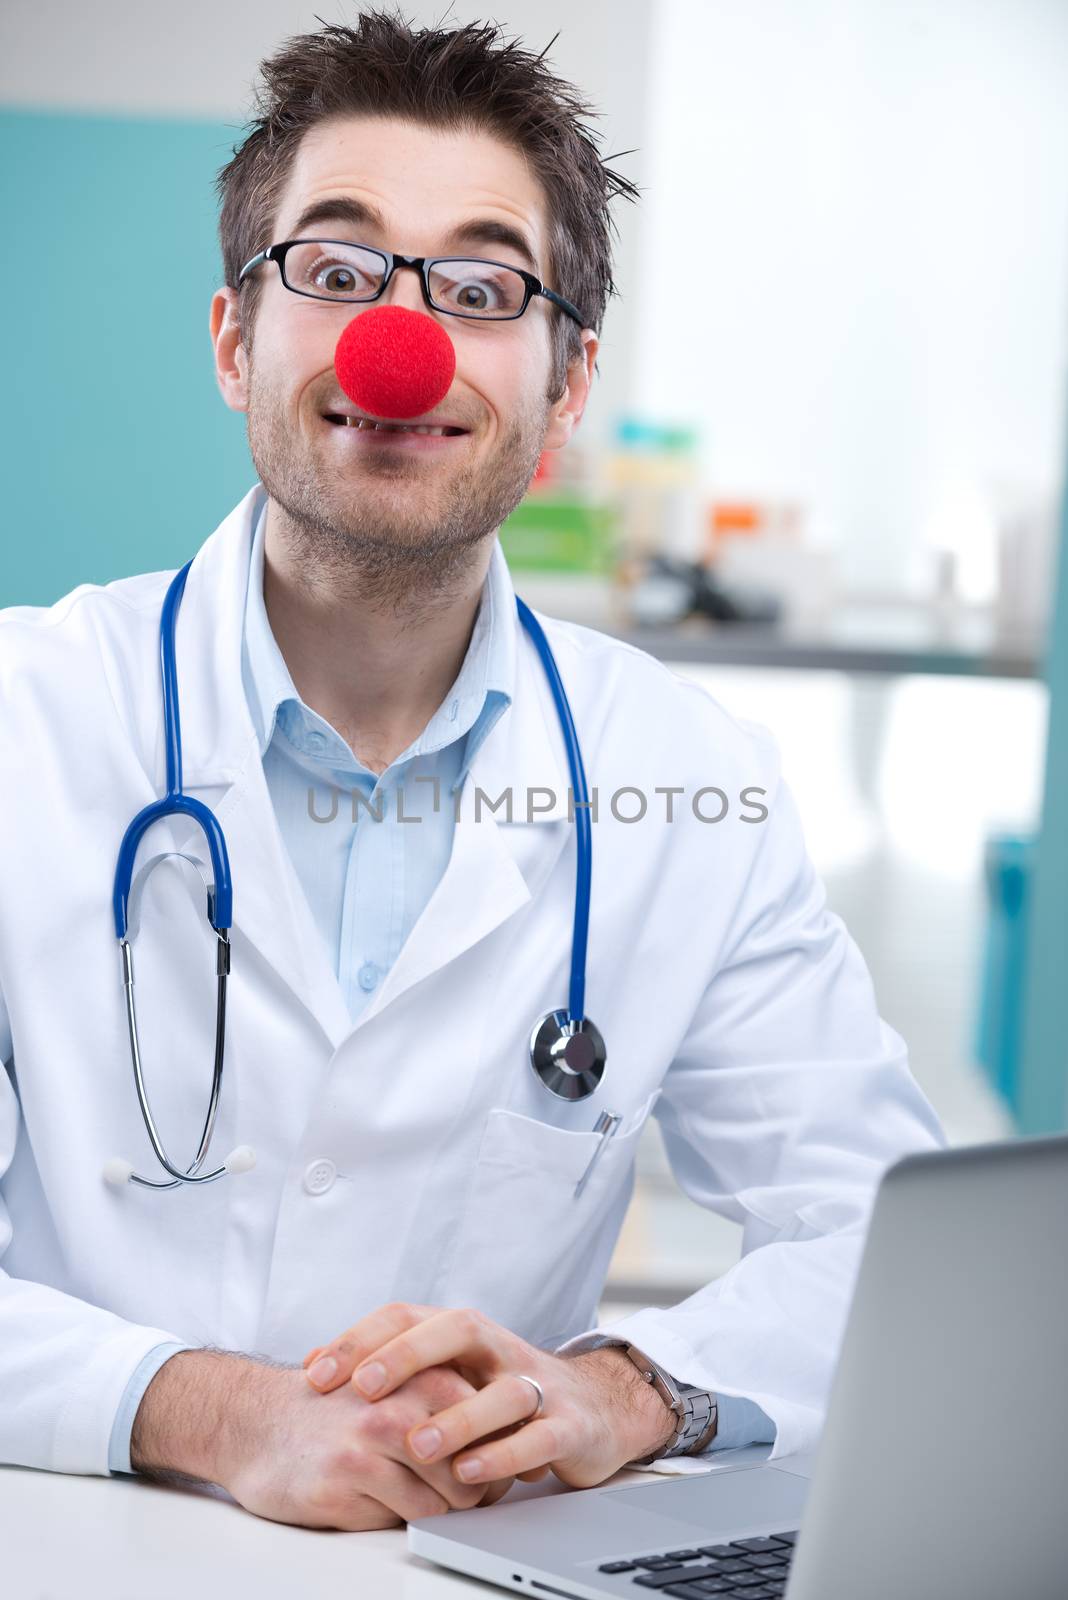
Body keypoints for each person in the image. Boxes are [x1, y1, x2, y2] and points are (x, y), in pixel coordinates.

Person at [0, 10, 943, 1531]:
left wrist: (629, 1388)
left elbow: (891, 1240)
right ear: (238, 339)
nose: (404, 340)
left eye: (485, 286)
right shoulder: (22, 724)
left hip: (477, 1568)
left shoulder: (689, 780)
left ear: (565, 388)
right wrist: (208, 1408)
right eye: (339, 267)